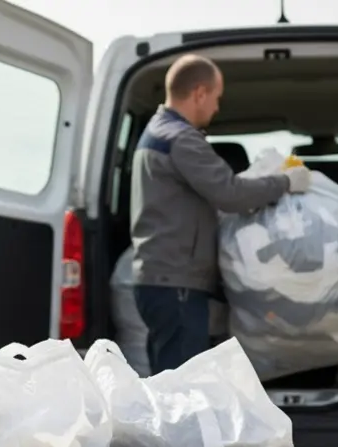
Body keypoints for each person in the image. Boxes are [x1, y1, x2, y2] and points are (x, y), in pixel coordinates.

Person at [130, 54, 312, 374]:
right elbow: (229, 193)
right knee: (181, 390)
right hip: (177, 285)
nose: (216, 108)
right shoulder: (181, 139)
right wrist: (285, 182)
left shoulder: (156, 132)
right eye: (216, 98)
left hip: (162, 279)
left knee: (168, 383)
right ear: (200, 93)